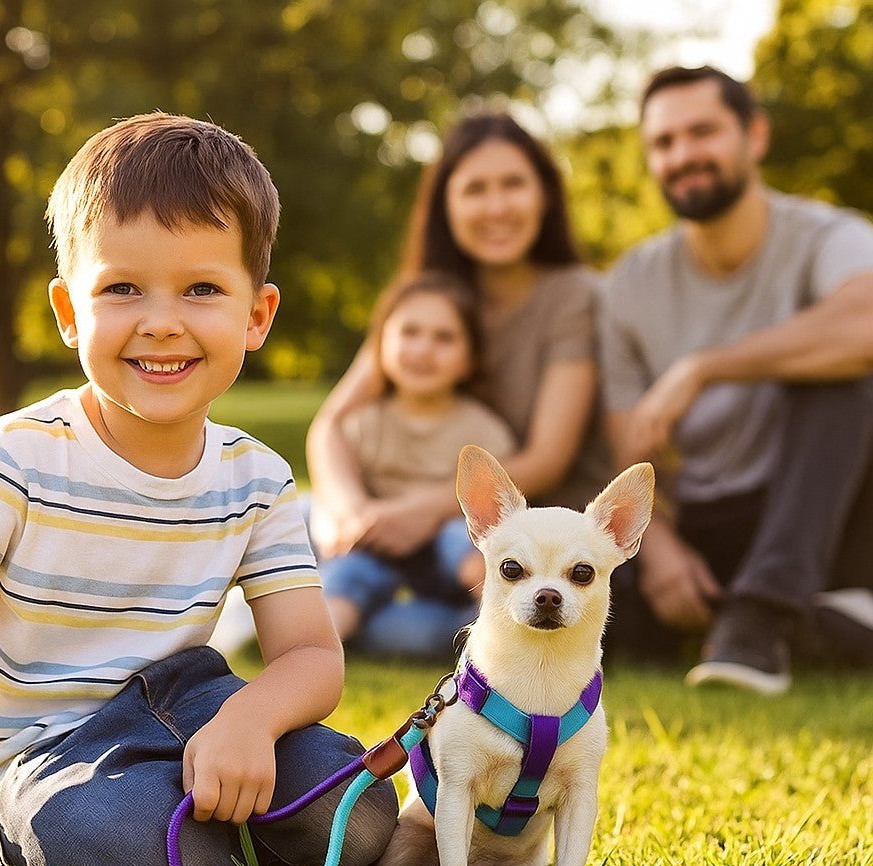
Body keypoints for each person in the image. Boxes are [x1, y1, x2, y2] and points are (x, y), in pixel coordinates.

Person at [0, 113, 397, 866]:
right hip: (39, 758)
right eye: (121, 289)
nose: (162, 320)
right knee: (124, 838)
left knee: (364, 807)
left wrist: (249, 722)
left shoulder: (258, 479)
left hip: (188, 710)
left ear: (257, 315)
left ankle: (214, 826)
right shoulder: (17, 460)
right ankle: (194, 840)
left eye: (202, 288)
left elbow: (311, 656)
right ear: (70, 313)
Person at [600, 65, 873, 694]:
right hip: (711, 529)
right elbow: (627, 444)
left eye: (703, 132)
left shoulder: (827, 235)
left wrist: (704, 367)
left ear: (755, 135)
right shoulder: (630, 284)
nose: (683, 155)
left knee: (842, 377)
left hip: (828, 508)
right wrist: (661, 545)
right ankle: (819, 621)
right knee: (625, 621)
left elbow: (862, 327)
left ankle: (760, 617)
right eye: (663, 143)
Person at [306, 112, 610, 658]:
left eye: (513, 184)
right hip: (389, 522)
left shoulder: (573, 296)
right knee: (296, 513)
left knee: (428, 620)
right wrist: (348, 513)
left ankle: (372, 629)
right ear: (446, 204)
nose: (496, 207)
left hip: (511, 533)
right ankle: (303, 619)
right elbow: (330, 424)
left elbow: (548, 457)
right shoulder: (426, 300)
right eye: (475, 189)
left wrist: (423, 509)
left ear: (544, 194)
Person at [313, 271, 516, 644]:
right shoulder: (363, 423)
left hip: (448, 559)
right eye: (409, 332)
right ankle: (321, 645)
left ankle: (503, 618)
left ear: (471, 358)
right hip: (375, 550)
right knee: (346, 573)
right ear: (380, 345)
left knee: (463, 538)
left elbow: (497, 516)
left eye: (444, 338)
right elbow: (336, 505)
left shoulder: (485, 431)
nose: (423, 350)